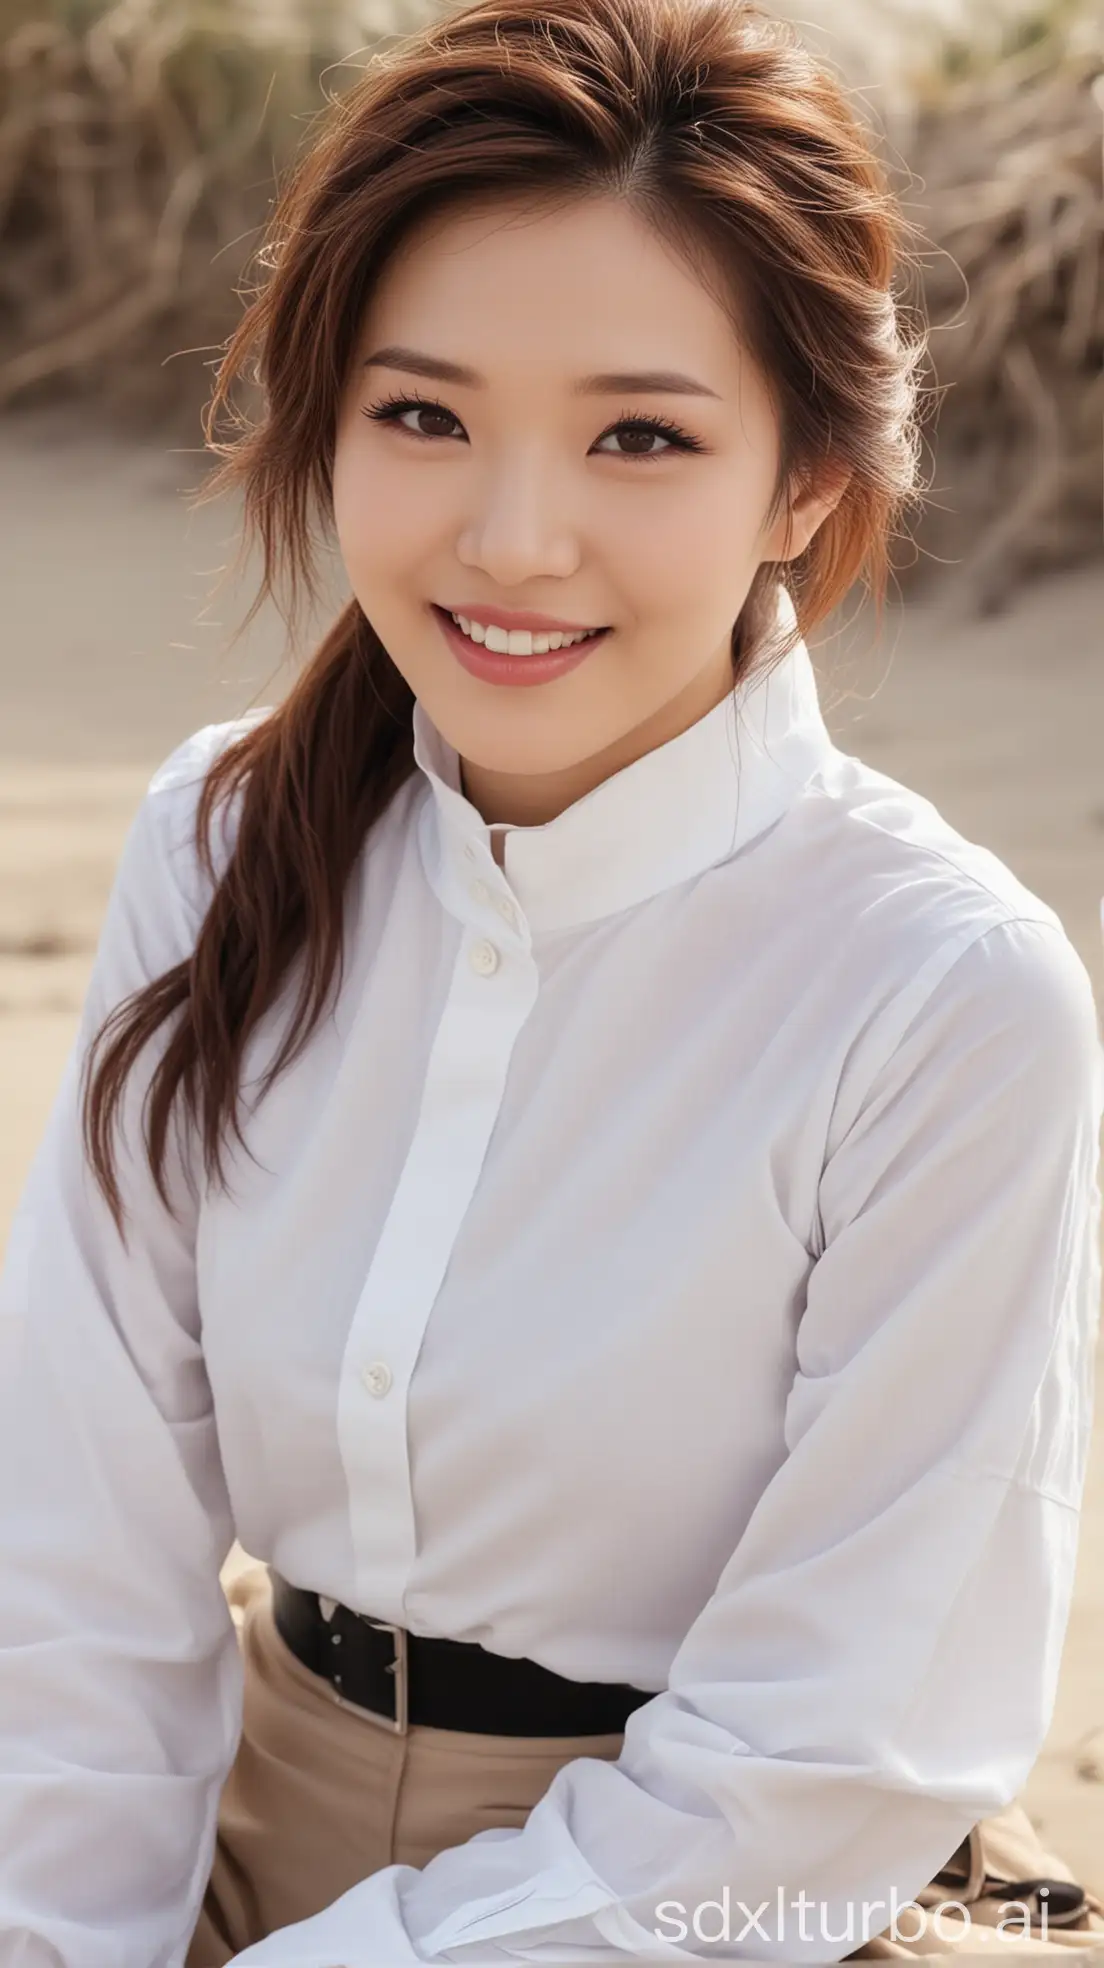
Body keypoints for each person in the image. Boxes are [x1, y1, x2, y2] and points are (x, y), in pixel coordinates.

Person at [0, 0, 1102, 1960]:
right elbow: (75, 1559)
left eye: (641, 437)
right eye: (423, 414)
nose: (515, 540)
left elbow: (828, 1752)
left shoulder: (945, 998)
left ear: (804, 484)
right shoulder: (220, 843)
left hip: (712, 1897)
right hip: (237, 1802)